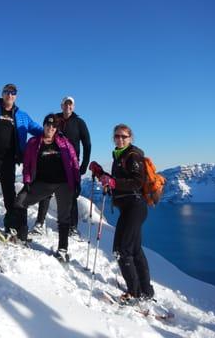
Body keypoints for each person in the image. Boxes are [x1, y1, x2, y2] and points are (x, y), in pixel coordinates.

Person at [90, 124, 155, 304]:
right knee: (133, 249)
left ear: (130, 138)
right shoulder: (119, 156)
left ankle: (134, 293)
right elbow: (118, 182)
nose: (120, 139)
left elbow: (136, 182)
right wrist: (101, 174)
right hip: (130, 208)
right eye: (117, 136)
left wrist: (112, 182)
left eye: (124, 136)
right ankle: (145, 290)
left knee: (122, 250)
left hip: (134, 207)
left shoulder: (133, 156)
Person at [0, 83, 43, 232]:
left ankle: (11, 223)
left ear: (16, 96)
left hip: (9, 159)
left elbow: (37, 129)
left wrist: (53, 135)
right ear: (2, 94)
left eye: (13, 93)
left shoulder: (22, 116)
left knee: (9, 191)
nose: (10, 95)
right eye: (7, 92)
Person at [13, 114, 80, 261]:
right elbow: (27, 164)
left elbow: (74, 163)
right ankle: (22, 236)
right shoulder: (34, 142)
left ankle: (63, 249)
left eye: (54, 126)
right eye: (48, 125)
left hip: (63, 184)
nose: (51, 128)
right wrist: (27, 181)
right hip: (42, 183)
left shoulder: (64, 143)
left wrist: (77, 182)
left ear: (57, 128)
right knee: (20, 201)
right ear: (43, 125)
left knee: (64, 216)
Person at [31, 96, 91, 237]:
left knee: (72, 192)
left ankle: (73, 226)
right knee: (46, 190)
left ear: (73, 107)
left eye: (70, 105)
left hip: (71, 163)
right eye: (65, 104)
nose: (67, 107)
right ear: (61, 105)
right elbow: (44, 132)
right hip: (51, 160)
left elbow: (87, 144)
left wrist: (84, 165)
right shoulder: (55, 119)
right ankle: (40, 222)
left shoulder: (79, 122)